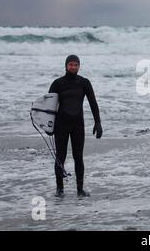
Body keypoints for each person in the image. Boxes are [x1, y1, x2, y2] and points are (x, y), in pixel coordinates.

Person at [48, 55, 103, 198]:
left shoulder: (84, 83)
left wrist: (98, 122)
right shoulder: (57, 83)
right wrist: (49, 126)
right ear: (66, 66)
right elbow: (49, 107)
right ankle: (60, 190)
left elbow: (93, 103)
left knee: (78, 157)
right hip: (61, 125)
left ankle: (80, 189)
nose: (73, 67)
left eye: (76, 65)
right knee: (61, 156)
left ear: (79, 66)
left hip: (78, 124)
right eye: (71, 64)